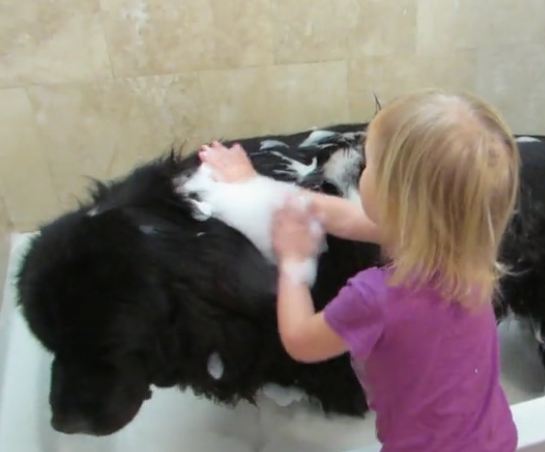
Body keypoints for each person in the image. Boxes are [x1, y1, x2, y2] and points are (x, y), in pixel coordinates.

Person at [199, 90, 520, 451]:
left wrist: (293, 262)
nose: (362, 172)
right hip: (494, 439)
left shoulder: (376, 298)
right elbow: (351, 219)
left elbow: (302, 341)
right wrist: (255, 190)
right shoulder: (465, 255)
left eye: (370, 166)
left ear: (398, 201)